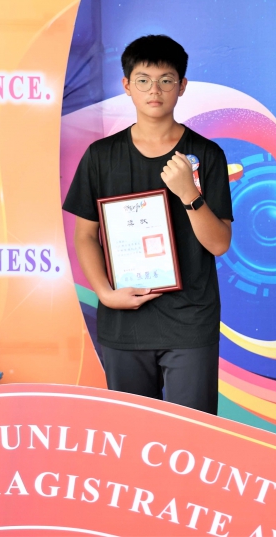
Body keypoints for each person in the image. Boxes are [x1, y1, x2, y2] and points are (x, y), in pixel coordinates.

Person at [63, 34, 232, 414]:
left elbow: (219, 243)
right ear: (127, 85)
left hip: (190, 321)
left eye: (166, 80)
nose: (154, 90)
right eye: (143, 80)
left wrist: (189, 193)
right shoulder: (101, 156)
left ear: (182, 86)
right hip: (125, 320)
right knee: (133, 436)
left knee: (194, 435)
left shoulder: (206, 154)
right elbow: (85, 236)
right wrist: (106, 294)